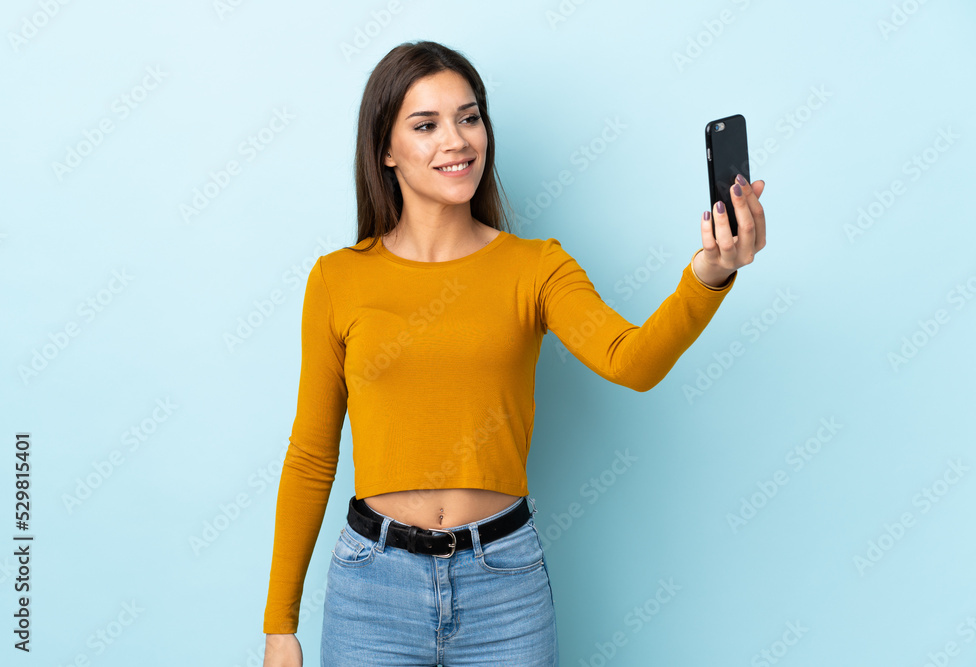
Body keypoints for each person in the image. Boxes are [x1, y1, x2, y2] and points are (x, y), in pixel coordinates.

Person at [262, 40, 766, 667]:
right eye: (427, 125)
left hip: (503, 585)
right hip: (372, 589)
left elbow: (632, 361)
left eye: (469, 117)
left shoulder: (536, 266)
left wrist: (710, 274)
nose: (457, 140)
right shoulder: (337, 278)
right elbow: (312, 453)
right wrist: (280, 623)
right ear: (386, 150)